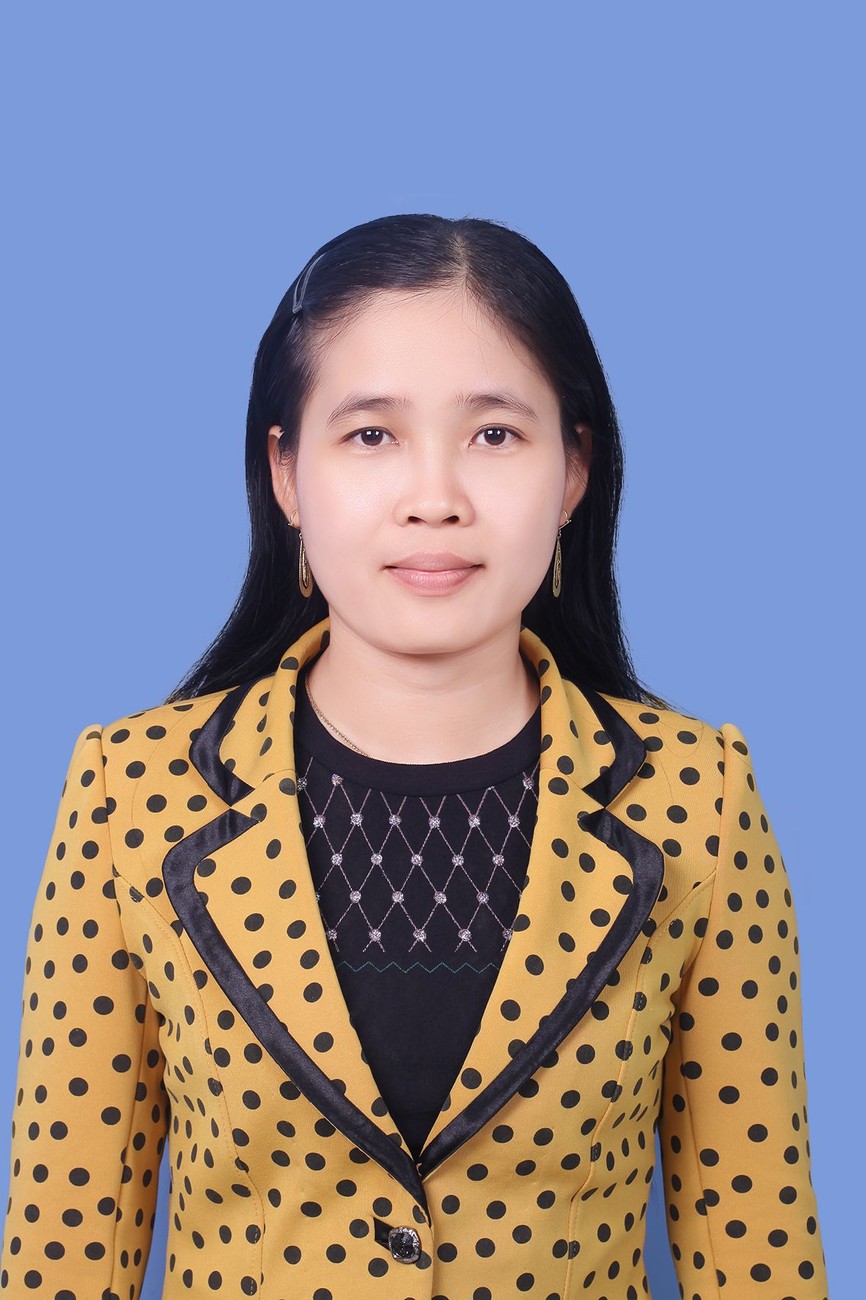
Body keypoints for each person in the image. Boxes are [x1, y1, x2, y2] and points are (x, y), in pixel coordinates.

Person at [0, 214, 828, 1299]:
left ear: (573, 470)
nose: (434, 496)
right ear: (286, 474)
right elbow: (62, 1248)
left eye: (495, 435)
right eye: (370, 436)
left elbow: (758, 1245)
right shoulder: (133, 793)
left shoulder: (695, 799)